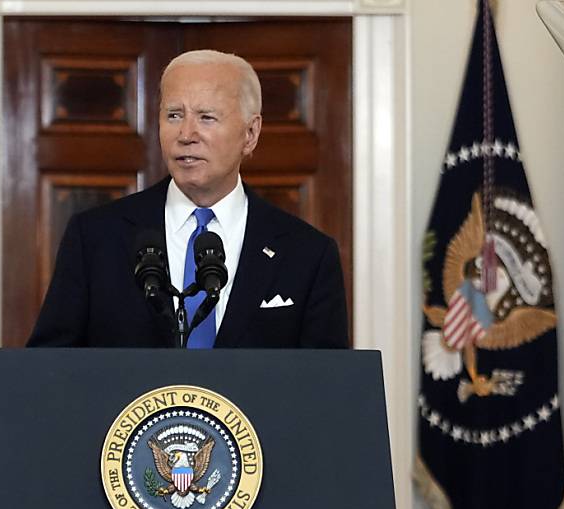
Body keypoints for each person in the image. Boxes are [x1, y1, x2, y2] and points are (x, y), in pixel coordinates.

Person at [27, 50, 348, 348]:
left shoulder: (307, 254)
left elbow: (327, 382)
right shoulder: (95, 238)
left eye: (206, 117)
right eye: (174, 115)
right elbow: (49, 369)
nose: (185, 134)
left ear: (250, 134)